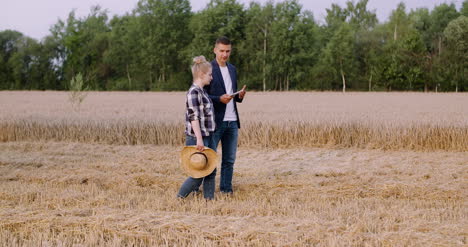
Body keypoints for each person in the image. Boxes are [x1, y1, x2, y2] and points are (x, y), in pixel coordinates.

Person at [204, 36, 246, 194]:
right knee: (210, 159)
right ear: (215, 50)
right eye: (221, 51)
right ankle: (208, 193)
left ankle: (226, 190)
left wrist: (239, 96)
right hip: (215, 122)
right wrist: (219, 99)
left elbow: (232, 96)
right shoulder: (207, 69)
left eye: (227, 51)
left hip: (233, 122)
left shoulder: (233, 69)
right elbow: (201, 96)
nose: (224, 54)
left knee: (229, 160)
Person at [177, 55, 217, 200]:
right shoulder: (193, 92)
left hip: (208, 135)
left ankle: (209, 201)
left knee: (210, 169)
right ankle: (179, 198)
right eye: (210, 74)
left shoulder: (202, 92)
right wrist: (199, 140)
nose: (211, 78)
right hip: (198, 138)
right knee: (198, 173)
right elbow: (194, 117)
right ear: (201, 74)